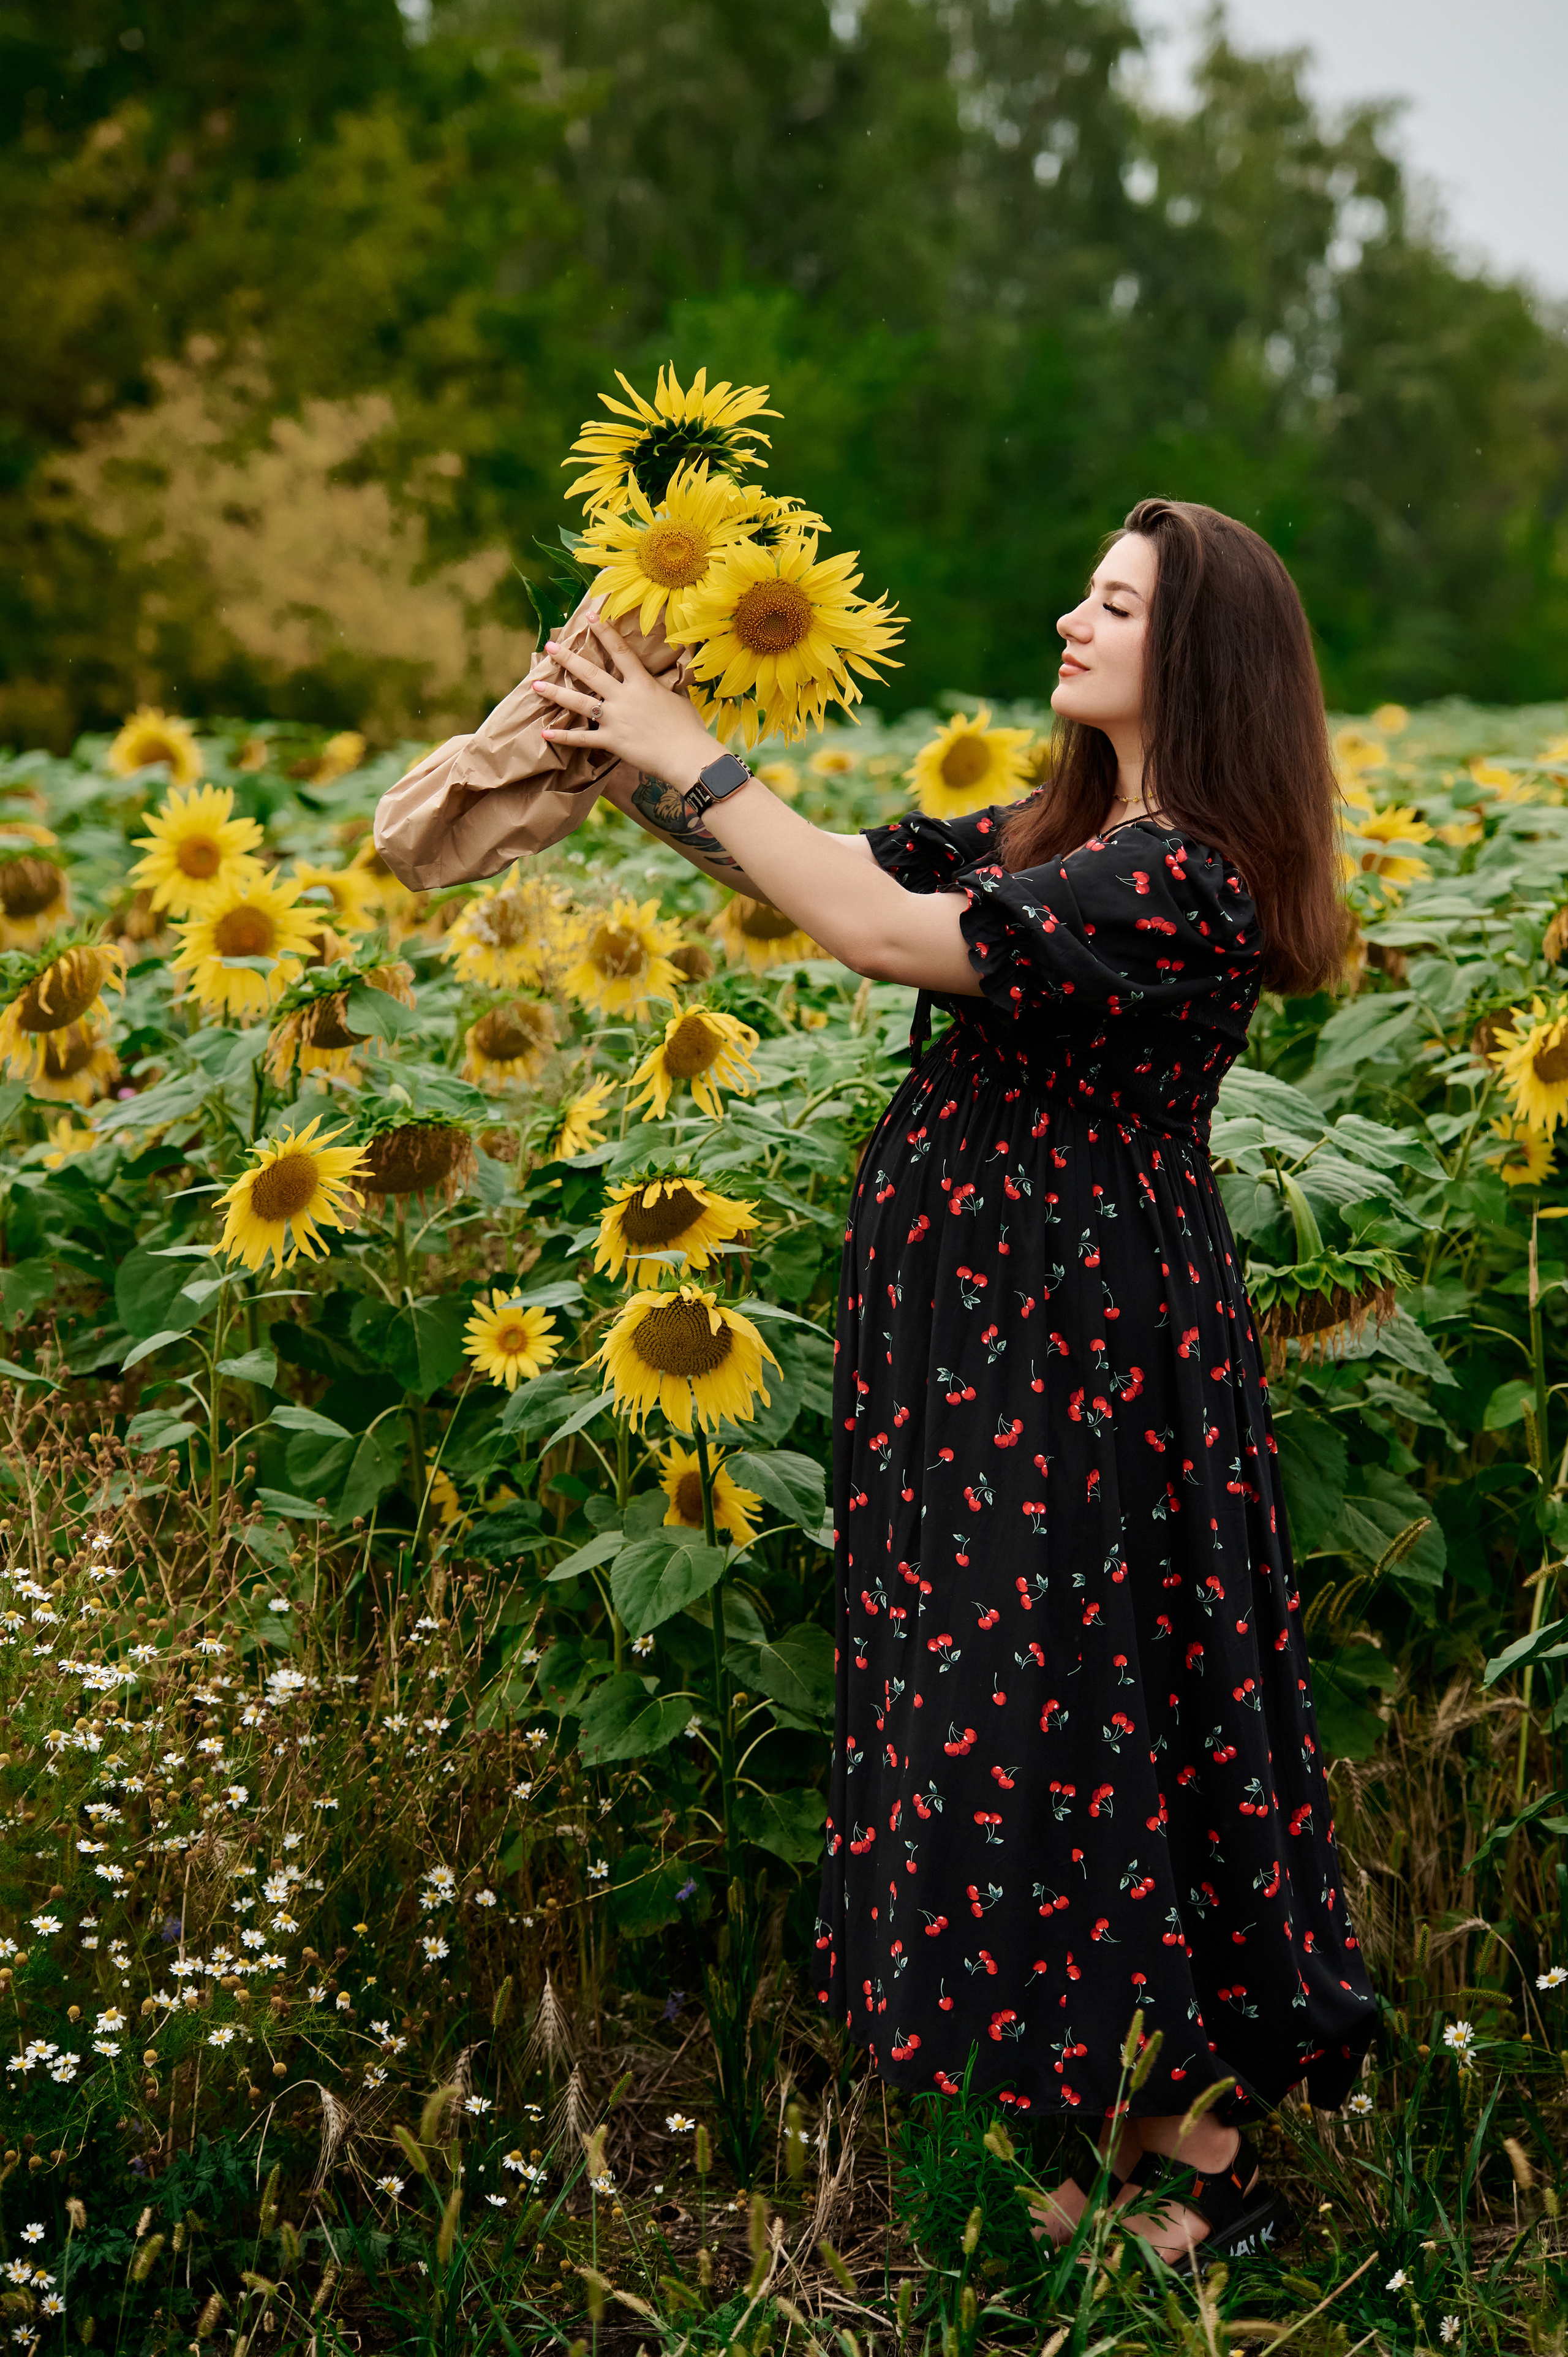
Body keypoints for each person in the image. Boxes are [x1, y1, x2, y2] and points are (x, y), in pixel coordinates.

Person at [532, 496, 1376, 2263]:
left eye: (1117, 606)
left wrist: (692, 755)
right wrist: (625, 743)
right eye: (1086, 591)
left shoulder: (1185, 875)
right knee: (1024, 1689)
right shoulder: (1066, 831)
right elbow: (823, 868)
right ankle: (1108, 2124)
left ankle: (1185, 2148)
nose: (1074, 620)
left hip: (1081, 1344)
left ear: (1201, 657)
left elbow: (882, 934)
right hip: (988, 1334)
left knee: (1067, 1690)